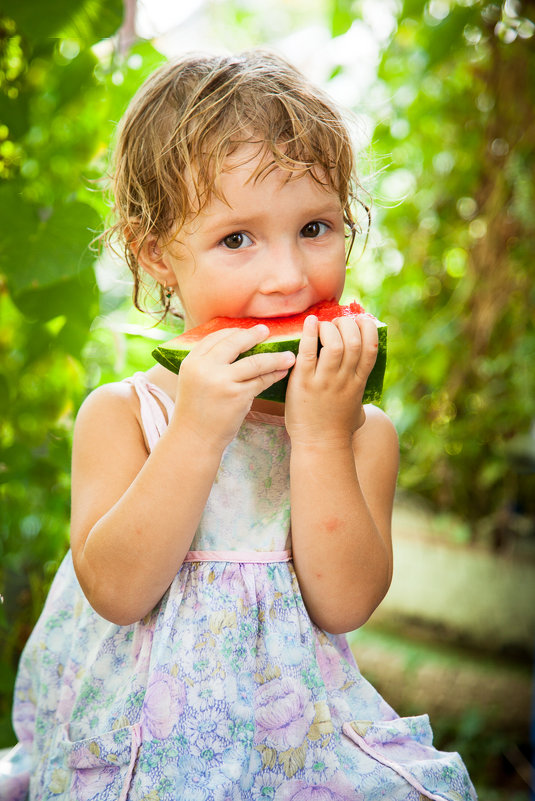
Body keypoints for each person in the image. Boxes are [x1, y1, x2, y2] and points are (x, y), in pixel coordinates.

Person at [1, 50, 477, 801]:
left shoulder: (363, 434)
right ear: (157, 252)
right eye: (237, 239)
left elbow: (344, 602)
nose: (289, 276)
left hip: (295, 757)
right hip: (142, 755)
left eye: (315, 226)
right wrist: (194, 433)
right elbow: (118, 591)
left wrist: (320, 437)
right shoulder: (124, 416)